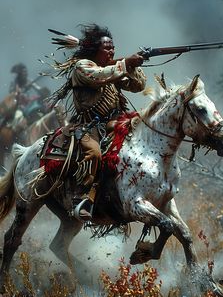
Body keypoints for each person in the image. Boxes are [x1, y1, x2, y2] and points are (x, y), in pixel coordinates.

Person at [46, 24, 147, 220]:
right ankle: (83, 198)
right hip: (88, 126)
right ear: (95, 50)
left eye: (112, 47)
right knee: (94, 152)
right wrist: (125, 63)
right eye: (107, 48)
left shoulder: (112, 68)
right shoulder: (83, 67)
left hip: (115, 122)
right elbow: (100, 77)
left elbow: (138, 86)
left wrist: (133, 66)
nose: (112, 51)